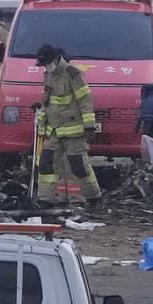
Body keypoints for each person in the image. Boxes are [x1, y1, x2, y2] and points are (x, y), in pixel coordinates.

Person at [35, 44, 101, 206]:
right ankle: (50, 199)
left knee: (76, 166)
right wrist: (41, 123)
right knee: (48, 163)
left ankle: (86, 197)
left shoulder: (73, 74)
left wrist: (89, 125)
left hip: (74, 130)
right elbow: (47, 103)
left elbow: (85, 100)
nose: (46, 67)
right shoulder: (48, 75)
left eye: (47, 63)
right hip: (54, 130)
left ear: (56, 59)